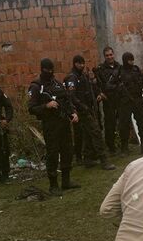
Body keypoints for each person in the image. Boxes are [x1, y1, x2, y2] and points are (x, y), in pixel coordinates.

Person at [27, 57, 79, 196]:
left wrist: (73, 113)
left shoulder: (57, 83)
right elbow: (31, 108)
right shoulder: (36, 86)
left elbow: (67, 100)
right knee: (53, 154)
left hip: (64, 123)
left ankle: (66, 181)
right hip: (50, 124)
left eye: (51, 70)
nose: (49, 72)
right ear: (42, 69)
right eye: (47, 70)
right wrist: (46, 106)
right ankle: (53, 184)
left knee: (67, 151)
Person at [65, 55, 115, 171]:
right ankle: (104, 160)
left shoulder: (82, 75)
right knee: (96, 132)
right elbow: (71, 96)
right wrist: (82, 107)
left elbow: (90, 89)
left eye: (83, 63)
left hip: (88, 108)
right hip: (82, 110)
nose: (82, 65)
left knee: (88, 134)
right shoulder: (72, 78)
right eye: (79, 63)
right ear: (75, 64)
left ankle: (87, 158)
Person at [118, 52, 143, 155]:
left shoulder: (136, 70)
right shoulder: (119, 72)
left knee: (142, 122)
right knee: (124, 125)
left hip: (137, 100)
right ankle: (124, 147)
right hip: (125, 102)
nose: (131, 62)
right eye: (129, 60)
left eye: (132, 60)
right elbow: (112, 87)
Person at [95, 46, 122, 154]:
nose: (109, 57)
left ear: (113, 54)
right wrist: (100, 93)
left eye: (111, 54)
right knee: (109, 124)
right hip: (108, 100)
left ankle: (123, 144)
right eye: (107, 55)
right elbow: (96, 84)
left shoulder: (119, 66)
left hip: (119, 98)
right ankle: (111, 147)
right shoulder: (101, 69)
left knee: (122, 122)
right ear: (104, 57)